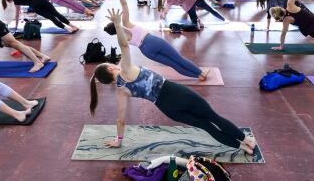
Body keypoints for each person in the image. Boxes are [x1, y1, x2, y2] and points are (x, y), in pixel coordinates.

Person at [90, 9, 256, 154]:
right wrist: (118, 25)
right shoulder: (126, 69)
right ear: (111, 69)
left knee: (206, 126)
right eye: (111, 64)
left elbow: (120, 119)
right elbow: (124, 46)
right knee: (214, 117)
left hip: (167, 108)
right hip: (177, 93)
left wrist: (119, 140)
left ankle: (242, 148)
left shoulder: (121, 90)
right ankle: (247, 140)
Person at [105, 0, 209, 81]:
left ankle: (198, 76)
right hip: (152, 42)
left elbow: (124, 53)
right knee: (178, 59)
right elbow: (124, 5)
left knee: (173, 64)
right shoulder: (126, 23)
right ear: (115, 23)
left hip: (146, 51)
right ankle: (201, 73)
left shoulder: (121, 38)